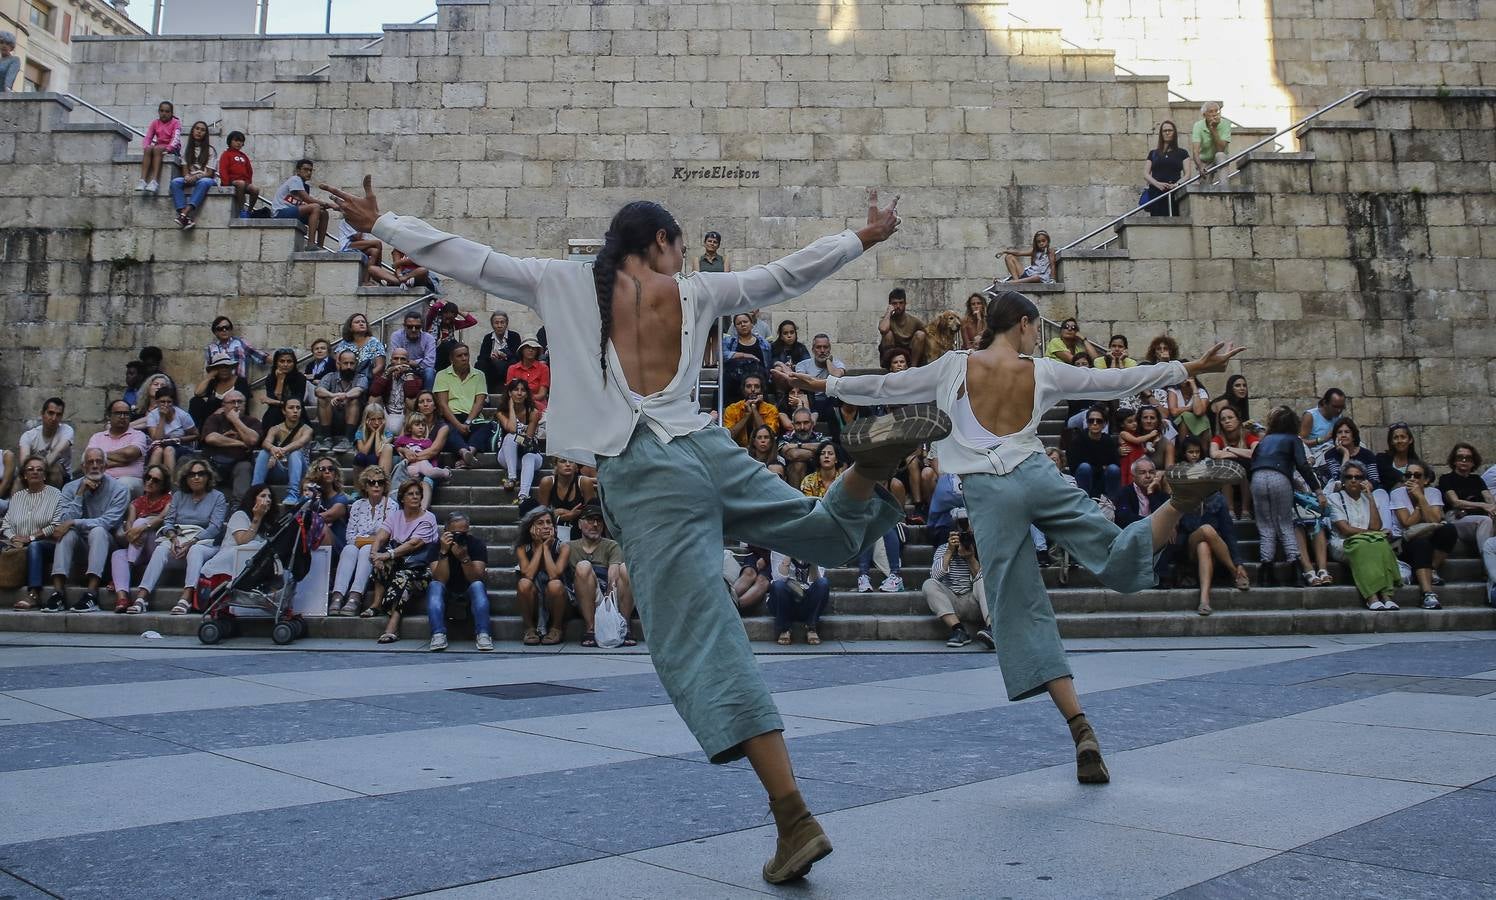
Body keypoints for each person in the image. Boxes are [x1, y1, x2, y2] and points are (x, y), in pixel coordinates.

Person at [330, 175, 912, 884]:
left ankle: (794, 817)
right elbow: (785, 275)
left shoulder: (565, 283)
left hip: (645, 470)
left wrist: (384, 221)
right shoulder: (697, 292)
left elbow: (469, 259)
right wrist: (866, 235)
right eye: (677, 242)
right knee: (821, 531)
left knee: (701, 638)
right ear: (659, 241)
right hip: (706, 448)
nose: (682, 254)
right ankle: (866, 466)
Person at [790, 289, 1246, 786]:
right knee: (1115, 554)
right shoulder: (1042, 370)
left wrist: (824, 383)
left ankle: (1079, 726)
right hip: (1035, 472)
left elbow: (888, 386)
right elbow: (1118, 379)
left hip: (989, 493)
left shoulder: (954, 366)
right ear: (1025, 325)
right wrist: (1193, 365)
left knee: (1020, 607)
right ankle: (1179, 501)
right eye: (1036, 329)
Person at [43, 448, 131, 613]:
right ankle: (58, 593)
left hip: (107, 546)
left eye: (99, 462)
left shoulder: (120, 489)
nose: (95, 466)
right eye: (90, 462)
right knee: (66, 533)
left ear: (105, 466)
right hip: (81, 547)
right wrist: (80, 494)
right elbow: (63, 522)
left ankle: (92, 594)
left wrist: (74, 522)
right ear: (83, 467)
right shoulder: (70, 488)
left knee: (97, 531)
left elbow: (108, 522)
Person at [1170, 439, 1249, 614]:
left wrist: (1240, 561)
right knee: (1206, 530)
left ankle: (1204, 600)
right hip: (1187, 547)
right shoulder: (1182, 498)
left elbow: (1229, 533)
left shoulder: (1218, 499)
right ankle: (1234, 572)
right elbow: (1181, 529)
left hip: (1212, 550)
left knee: (1204, 544)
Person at [140, 460, 227, 615]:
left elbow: (215, 527)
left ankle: (186, 597)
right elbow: (168, 521)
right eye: (192, 474)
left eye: (201, 474)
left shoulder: (217, 497)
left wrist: (191, 542)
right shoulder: (179, 496)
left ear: (208, 477)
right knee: (161, 549)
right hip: (179, 537)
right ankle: (142, 596)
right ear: (186, 478)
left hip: (204, 542)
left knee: (195, 550)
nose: (196, 478)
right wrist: (173, 539)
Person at [1250, 406, 1321, 586]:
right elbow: (1302, 465)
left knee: (1265, 525)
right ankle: (1296, 571)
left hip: (1257, 478)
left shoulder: (1265, 441)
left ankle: (1266, 573)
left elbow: (1254, 459)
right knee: (1284, 523)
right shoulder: (1293, 439)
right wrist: (1317, 490)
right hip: (1280, 478)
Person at [364, 480, 438, 643]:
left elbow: (413, 544)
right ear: (402, 498)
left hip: (421, 568)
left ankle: (393, 624)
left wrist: (387, 555)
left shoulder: (428, 518)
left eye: (418, 494)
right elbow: (381, 536)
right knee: (384, 563)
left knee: (403, 577)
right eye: (410, 494)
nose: (415, 497)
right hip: (399, 562)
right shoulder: (395, 515)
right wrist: (375, 554)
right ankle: (376, 604)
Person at [1326, 460, 1402, 610]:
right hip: (1344, 543)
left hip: (1370, 541)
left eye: (1358, 477)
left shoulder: (1368, 497)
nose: (1354, 480)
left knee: (1381, 545)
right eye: (1349, 477)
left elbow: (1375, 526)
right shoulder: (1335, 498)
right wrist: (1372, 534)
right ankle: (1372, 596)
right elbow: (1345, 529)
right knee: (1365, 545)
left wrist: (1371, 498)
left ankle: (1387, 596)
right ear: (1343, 480)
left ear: (1364, 480)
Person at [103, 462, 173, 613]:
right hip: (138, 547)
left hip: (157, 545)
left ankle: (128, 567)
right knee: (117, 554)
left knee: (141, 521)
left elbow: (162, 518)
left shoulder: (169, 499)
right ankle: (122, 597)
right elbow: (129, 523)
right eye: (148, 477)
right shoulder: (137, 502)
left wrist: (143, 526)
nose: (150, 482)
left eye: (156, 480)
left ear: (163, 484)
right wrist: (131, 533)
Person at [1388, 462, 1457, 610]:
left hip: (1429, 535)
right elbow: (1407, 522)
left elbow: (1434, 520)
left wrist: (1421, 497)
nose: (1412, 478)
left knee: (1449, 530)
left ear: (1425, 480)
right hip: (1405, 541)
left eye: (1417, 475)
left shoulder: (1434, 493)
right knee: (1421, 544)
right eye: (1408, 475)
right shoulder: (1397, 494)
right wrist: (1420, 502)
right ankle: (1427, 593)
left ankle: (1431, 569)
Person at [329, 466, 396, 617]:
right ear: (365, 485)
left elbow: (387, 535)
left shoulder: (391, 505)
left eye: (380, 482)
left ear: (385, 485)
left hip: (380, 550)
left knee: (366, 549)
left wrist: (366, 540)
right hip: (357, 547)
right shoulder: (358, 506)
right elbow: (350, 535)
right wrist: (369, 539)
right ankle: (338, 595)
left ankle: (355, 595)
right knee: (349, 549)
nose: (376, 485)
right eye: (372, 482)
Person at [569, 505, 636, 648]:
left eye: (599, 521)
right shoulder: (569, 547)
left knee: (625, 568)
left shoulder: (612, 545)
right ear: (580, 524)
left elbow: (614, 571)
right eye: (590, 520)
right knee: (583, 566)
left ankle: (624, 626)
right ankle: (590, 629)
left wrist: (608, 600)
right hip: (584, 596)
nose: (595, 525)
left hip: (608, 594)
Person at [924, 508, 992, 649]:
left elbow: (987, 582)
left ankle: (993, 629)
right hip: (952, 601)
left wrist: (970, 558)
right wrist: (949, 551)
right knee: (928, 584)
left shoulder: (980, 547)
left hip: (975, 602)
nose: (963, 537)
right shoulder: (944, 549)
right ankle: (958, 630)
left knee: (984, 580)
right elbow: (935, 576)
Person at [426, 511, 492, 651]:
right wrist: (444, 553)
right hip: (446, 590)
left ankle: (483, 633)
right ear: (445, 531)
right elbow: (440, 579)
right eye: (454, 534)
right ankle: (438, 634)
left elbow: (476, 578)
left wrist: (464, 558)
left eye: (463, 533)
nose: (458, 537)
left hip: (469, 589)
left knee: (478, 586)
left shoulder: (476, 544)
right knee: (434, 586)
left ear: (468, 531)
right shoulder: (436, 546)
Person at [3, 456, 63, 609]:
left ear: (45, 475)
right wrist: (14, 538)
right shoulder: (17, 497)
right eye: (30, 469)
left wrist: (29, 538)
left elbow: (55, 524)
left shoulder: (55, 494)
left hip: (47, 545)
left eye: (39, 469)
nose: (34, 472)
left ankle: (33, 593)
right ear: (24, 475)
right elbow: (6, 524)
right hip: (17, 545)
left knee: (34, 547)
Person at [195, 485, 280, 594]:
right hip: (229, 564)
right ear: (253, 499)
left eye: (270, 497)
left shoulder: (269, 522)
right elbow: (243, 541)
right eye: (263, 496)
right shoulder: (240, 515)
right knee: (254, 545)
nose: (267, 500)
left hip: (250, 568)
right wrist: (257, 517)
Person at [1438, 443, 1496, 600]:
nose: (1464, 460)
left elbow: (1490, 499)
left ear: (1473, 461)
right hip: (1456, 519)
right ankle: (1488, 570)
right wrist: (1484, 506)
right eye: (1460, 457)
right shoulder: (1446, 479)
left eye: (1468, 458)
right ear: (1454, 461)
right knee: (1485, 521)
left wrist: (1491, 507)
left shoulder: (1477, 480)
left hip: (1478, 518)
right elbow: (1456, 502)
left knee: (1489, 518)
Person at [515, 505, 572, 646]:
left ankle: (556, 629)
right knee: (523, 583)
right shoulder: (522, 548)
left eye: (549, 522)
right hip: (534, 598)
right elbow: (528, 574)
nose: (546, 526)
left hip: (558, 598)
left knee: (555, 584)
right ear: (531, 528)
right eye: (540, 523)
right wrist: (539, 547)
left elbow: (554, 575)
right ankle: (529, 629)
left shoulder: (563, 547)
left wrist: (545, 548)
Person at [200, 390, 262, 504]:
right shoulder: (215, 419)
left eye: (240, 402)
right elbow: (211, 438)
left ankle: (238, 506)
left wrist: (235, 420)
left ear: (245, 404)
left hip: (238, 465)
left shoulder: (252, 421)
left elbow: (252, 440)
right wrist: (241, 443)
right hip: (213, 463)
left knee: (245, 467)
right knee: (196, 465)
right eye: (232, 402)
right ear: (224, 405)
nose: (236, 405)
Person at [251, 396, 313, 501]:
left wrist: (279, 452)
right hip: (281, 468)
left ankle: (293, 494)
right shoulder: (275, 429)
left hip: (302, 472)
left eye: (298, 408)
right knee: (264, 453)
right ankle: (255, 490)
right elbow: (265, 443)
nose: (295, 411)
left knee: (295, 453)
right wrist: (272, 449)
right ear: (284, 411)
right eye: (291, 408)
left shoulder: (307, 429)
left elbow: (299, 443)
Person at [87, 399, 149, 496]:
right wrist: (124, 461)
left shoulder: (138, 435)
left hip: (130, 481)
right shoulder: (97, 437)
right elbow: (89, 460)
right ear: (109, 416)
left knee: (121, 485)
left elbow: (129, 454)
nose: (122, 417)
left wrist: (100, 456)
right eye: (118, 413)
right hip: (101, 478)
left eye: (126, 414)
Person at [767, 551, 828, 646]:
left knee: (823, 583)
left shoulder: (817, 548)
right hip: (784, 602)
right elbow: (778, 579)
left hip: (806, 602)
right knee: (778, 585)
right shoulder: (777, 548)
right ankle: (785, 628)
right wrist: (789, 552)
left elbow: (816, 583)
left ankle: (811, 627)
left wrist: (813, 560)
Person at [496, 378, 543, 497]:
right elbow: (511, 429)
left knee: (528, 456)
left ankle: (523, 495)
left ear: (527, 394)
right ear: (510, 393)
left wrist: (518, 438)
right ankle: (512, 477)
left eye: (523, 390)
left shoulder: (533, 413)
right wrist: (511, 407)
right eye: (516, 390)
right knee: (510, 437)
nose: (519, 393)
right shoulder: (501, 413)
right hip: (508, 457)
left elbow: (528, 441)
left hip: (529, 453)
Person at [270, 158, 331, 249]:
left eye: (310, 170)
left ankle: (320, 246)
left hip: (292, 212)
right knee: (315, 207)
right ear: (298, 171)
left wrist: (324, 207)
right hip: (280, 212)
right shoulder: (295, 179)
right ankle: (310, 244)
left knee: (323, 213)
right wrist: (328, 204)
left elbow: (304, 203)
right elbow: (308, 199)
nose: (309, 173)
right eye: (305, 170)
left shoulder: (305, 186)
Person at [315, 349, 367, 453]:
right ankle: (327, 439)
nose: (348, 366)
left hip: (353, 421)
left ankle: (347, 440)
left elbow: (358, 390)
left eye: (351, 363)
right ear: (339, 363)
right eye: (345, 363)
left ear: (356, 364)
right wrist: (333, 395)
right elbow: (318, 390)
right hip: (331, 419)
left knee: (353, 400)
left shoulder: (361, 377)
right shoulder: (330, 376)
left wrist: (344, 396)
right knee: (322, 399)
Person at [1210, 405, 1259, 517]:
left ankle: (1245, 511)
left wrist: (1229, 449)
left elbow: (1256, 452)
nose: (1227, 421)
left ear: (1238, 419)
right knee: (1227, 471)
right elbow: (1214, 454)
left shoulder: (1248, 436)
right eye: (1223, 419)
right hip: (1226, 476)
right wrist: (1241, 454)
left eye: (1230, 417)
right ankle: (1230, 511)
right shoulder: (1218, 438)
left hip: (1247, 475)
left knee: (1242, 471)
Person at [170, 120, 217, 230]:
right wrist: (187, 177)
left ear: (206, 134)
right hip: (191, 178)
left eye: (202, 130)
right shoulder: (187, 150)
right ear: (192, 131)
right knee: (175, 182)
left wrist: (195, 177)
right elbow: (185, 172)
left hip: (206, 179)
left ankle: (185, 212)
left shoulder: (210, 150)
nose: (199, 132)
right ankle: (185, 218)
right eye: (197, 129)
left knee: (203, 182)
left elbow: (210, 173)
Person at [19, 398, 75, 487]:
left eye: (58, 415)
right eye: (51, 413)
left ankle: (50, 500)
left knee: (54, 468)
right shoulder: (29, 436)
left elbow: (56, 452)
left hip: (63, 479)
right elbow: (24, 463)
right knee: (18, 479)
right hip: (34, 475)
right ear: (42, 413)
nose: (54, 418)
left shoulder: (66, 430)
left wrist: (36, 469)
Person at [368, 346, 422, 437]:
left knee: (411, 400)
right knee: (373, 399)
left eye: (403, 359)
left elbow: (412, 394)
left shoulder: (414, 378)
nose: (399, 362)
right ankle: (371, 434)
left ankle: (404, 438)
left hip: (404, 417)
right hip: (385, 415)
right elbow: (374, 392)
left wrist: (408, 373)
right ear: (391, 360)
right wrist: (387, 373)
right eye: (396, 359)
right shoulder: (384, 375)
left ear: (408, 362)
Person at [1141, 120, 1191, 216]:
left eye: (1170, 130)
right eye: (1164, 131)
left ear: (1174, 133)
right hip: (1156, 192)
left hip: (1174, 192)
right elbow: (1145, 174)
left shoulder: (1182, 153)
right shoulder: (1153, 153)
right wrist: (1157, 184)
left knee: (1174, 218)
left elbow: (1188, 174)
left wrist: (1176, 185)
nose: (1167, 133)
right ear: (1161, 133)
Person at [723, 311, 774, 405]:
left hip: (758, 378)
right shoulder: (729, 341)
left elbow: (769, 360)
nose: (742, 325)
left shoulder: (763, 343)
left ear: (752, 324)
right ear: (735, 327)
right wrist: (745, 355)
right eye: (739, 323)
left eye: (745, 322)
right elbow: (722, 354)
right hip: (735, 378)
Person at [1069, 407, 1121, 498]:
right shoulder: (1078, 440)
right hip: (1084, 477)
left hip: (1103, 478)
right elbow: (1074, 465)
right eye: (1091, 421)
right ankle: (1084, 500)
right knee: (1084, 467)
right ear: (1087, 423)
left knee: (1114, 469)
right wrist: (1100, 467)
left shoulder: (1108, 441)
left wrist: (1096, 466)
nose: (1095, 423)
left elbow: (1115, 462)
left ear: (1104, 424)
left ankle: (1112, 503)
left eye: (1099, 421)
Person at [190, 351, 252, 425]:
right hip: (213, 418)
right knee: (195, 401)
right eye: (220, 367)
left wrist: (224, 410)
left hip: (234, 415)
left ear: (231, 368)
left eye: (226, 366)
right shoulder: (213, 382)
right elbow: (197, 393)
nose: (224, 370)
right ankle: (199, 432)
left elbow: (241, 404)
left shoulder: (241, 381)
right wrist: (209, 376)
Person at [724, 373, 784, 449]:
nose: (753, 390)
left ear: (762, 390)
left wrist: (754, 409)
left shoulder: (771, 409)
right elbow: (728, 436)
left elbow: (769, 437)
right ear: (743, 390)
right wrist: (746, 416)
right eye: (748, 386)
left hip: (763, 451)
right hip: (738, 450)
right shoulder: (732, 409)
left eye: (757, 386)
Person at [1319, 418, 1381, 488]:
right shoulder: (1330, 455)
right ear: (1335, 437)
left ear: (1353, 436)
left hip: (1365, 490)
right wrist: (1346, 454)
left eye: (1347, 432)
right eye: (1339, 432)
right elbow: (1338, 480)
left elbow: (1375, 479)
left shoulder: (1367, 454)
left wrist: (1367, 485)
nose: (1343, 435)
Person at [538, 458, 595, 530]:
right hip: (553, 528)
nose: (568, 464)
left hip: (580, 527)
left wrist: (564, 514)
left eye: (571, 461)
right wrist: (567, 516)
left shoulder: (584, 482)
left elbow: (592, 511)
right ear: (555, 465)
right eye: (562, 461)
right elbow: (541, 514)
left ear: (576, 466)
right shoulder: (547, 482)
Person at [135, 100, 179, 193]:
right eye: (162, 111)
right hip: (159, 146)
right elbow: (148, 136)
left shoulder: (175, 122)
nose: (164, 114)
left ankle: (155, 181)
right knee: (149, 148)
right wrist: (146, 146)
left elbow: (175, 138)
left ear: (171, 113)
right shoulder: (155, 123)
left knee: (157, 148)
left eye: (167, 112)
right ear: (158, 112)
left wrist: (169, 148)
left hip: (173, 148)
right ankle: (142, 180)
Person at [877, 288, 928, 367]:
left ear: (905, 304)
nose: (898, 306)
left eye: (901, 303)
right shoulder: (887, 319)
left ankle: (912, 368)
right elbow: (883, 329)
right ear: (890, 304)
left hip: (909, 356)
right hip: (893, 354)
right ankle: (890, 366)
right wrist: (888, 312)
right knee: (888, 334)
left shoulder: (914, 321)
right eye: (894, 303)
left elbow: (929, 333)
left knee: (920, 335)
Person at [259, 348, 307, 433]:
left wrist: (272, 401)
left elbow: (297, 401)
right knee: (274, 412)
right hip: (276, 412)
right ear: (276, 363)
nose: (285, 364)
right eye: (282, 361)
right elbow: (274, 398)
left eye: (289, 361)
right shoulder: (270, 378)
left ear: (294, 363)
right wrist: (280, 380)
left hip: (295, 411)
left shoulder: (300, 378)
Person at [475, 311, 521, 395]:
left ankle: (512, 392)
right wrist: (491, 357)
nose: (499, 326)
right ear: (492, 325)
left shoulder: (514, 336)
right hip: (493, 367)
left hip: (508, 365)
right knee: (480, 364)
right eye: (496, 323)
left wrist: (505, 355)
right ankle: (483, 393)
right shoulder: (488, 338)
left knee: (513, 363)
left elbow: (518, 356)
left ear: (506, 324)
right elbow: (481, 356)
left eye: (502, 322)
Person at [778, 409, 826, 488]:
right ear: (793, 424)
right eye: (798, 423)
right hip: (792, 477)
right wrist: (817, 452)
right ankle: (798, 498)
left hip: (817, 474)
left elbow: (827, 448)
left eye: (806, 422)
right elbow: (794, 455)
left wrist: (798, 445)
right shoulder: (785, 438)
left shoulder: (819, 437)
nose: (802, 427)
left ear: (812, 423)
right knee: (799, 464)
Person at [334, 312, 388, 381]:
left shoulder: (375, 343)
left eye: (363, 322)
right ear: (350, 327)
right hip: (346, 378)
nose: (361, 324)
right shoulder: (344, 344)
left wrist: (365, 377)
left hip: (368, 379)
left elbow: (380, 366)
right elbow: (338, 364)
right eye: (357, 322)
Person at [217, 130, 260, 218]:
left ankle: (249, 211)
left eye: (241, 141)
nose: (238, 143)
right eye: (236, 140)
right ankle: (242, 210)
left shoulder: (244, 156)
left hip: (244, 182)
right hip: (231, 181)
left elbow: (249, 170)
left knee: (255, 189)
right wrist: (225, 183)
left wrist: (249, 182)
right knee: (241, 183)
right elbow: (223, 169)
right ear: (230, 141)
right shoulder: (226, 154)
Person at [1191, 101, 1232, 184]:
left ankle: (1224, 188)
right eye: (1211, 111)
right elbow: (1195, 151)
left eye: (1216, 111)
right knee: (1201, 185)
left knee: (1220, 155)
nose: (1214, 114)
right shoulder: (1198, 126)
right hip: (1204, 161)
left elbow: (1221, 149)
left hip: (1219, 158)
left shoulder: (1226, 123)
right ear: (1204, 115)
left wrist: (1213, 129)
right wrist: (1200, 166)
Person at [1374, 422, 1422, 493]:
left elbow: (1429, 476)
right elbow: (1385, 472)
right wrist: (1404, 478)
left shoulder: (1416, 462)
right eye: (1396, 438)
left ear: (1410, 440)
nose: (1399, 441)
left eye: (1403, 437)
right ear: (1391, 442)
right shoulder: (1382, 458)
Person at [507, 338, 551, 407]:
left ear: (537, 351)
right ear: (522, 350)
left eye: (534, 348)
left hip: (537, 403)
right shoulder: (512, 369)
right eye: (528, 347)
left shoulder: (544, 368)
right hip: (516, 403)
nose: (531, 350)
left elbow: (542, 394)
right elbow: (509, 391)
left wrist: (526, 399)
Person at [1300, 388, 1347, 452]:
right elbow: (1300, 442)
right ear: (1325, 403)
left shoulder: (1339, 417)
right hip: (1317, 456)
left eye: (1342, 407)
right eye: (1335, 407)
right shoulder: (1310, 416)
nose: (1339, 410)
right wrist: (1323, 439)